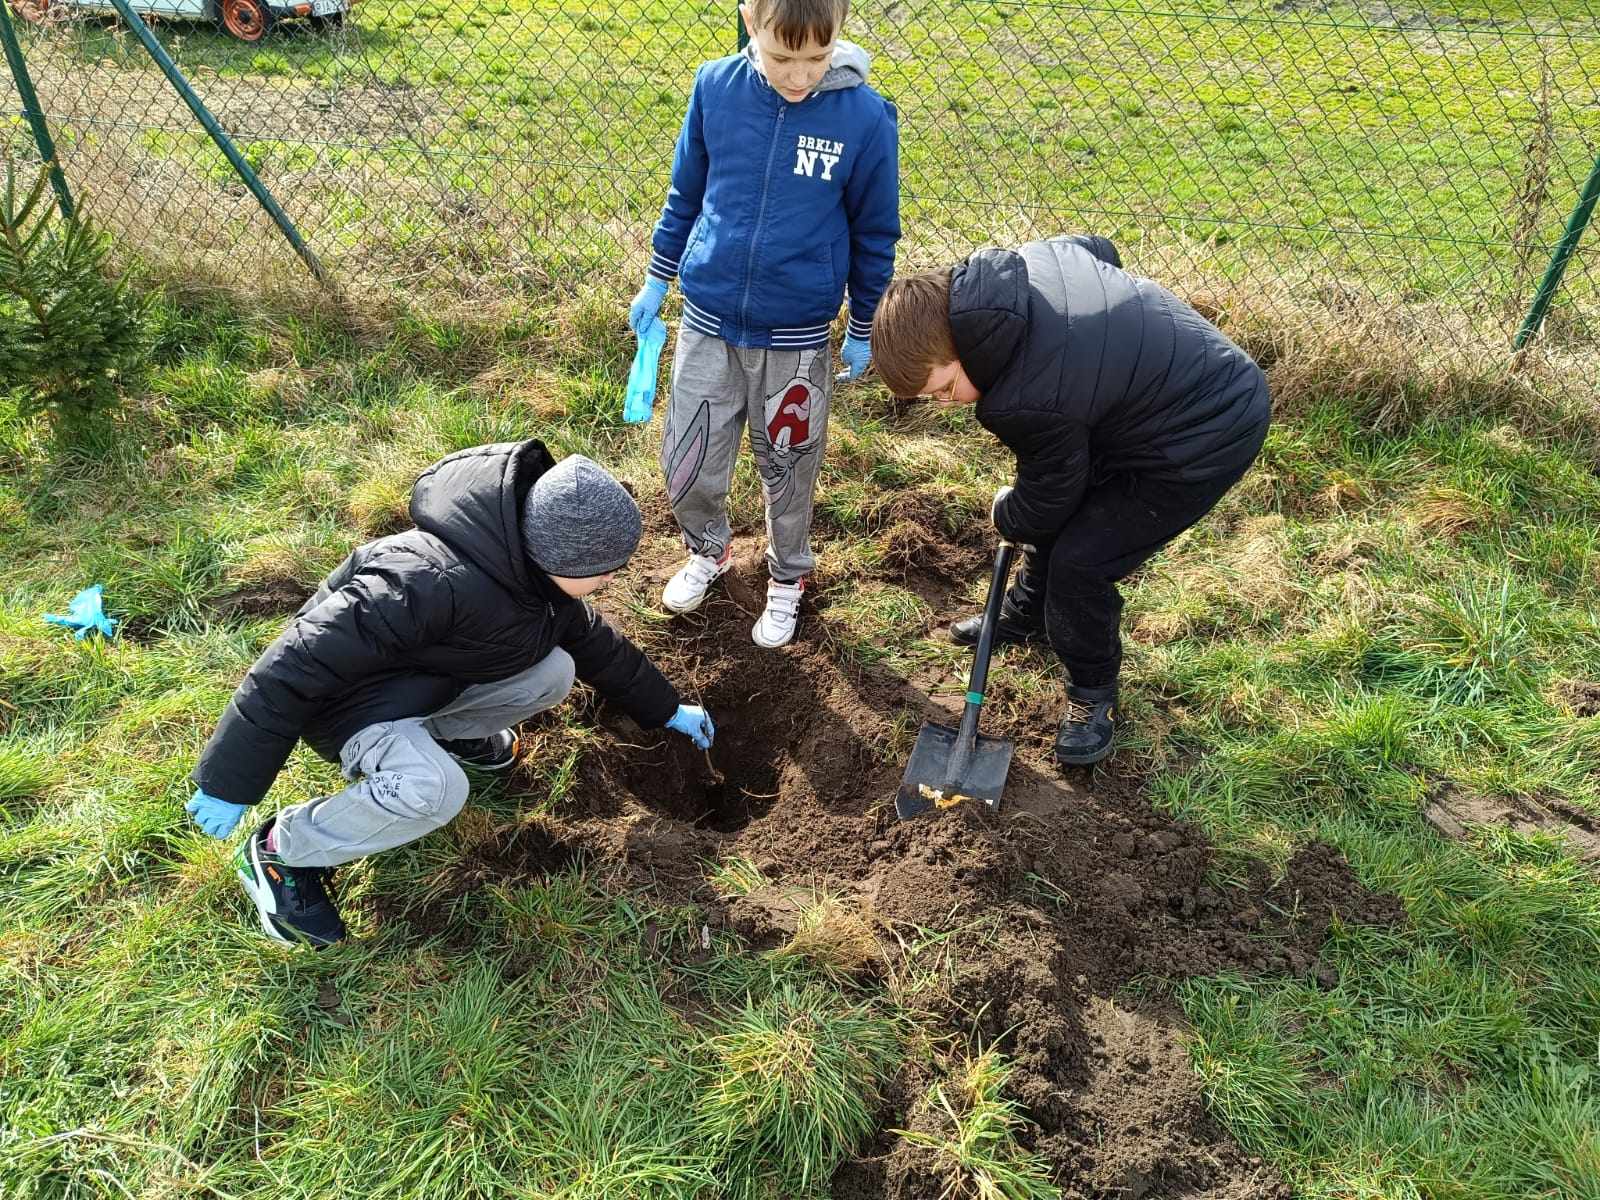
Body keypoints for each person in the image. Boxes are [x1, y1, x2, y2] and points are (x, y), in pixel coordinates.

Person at [183, 441, 716, 947]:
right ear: (561, 557)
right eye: (604, 570)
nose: (611, 579)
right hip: (350, 708)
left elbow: (598, 645)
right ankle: (284, 851)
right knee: (435, 791)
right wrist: (229, 781)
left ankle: (444, 738)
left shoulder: (532, 576)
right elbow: (292, 665)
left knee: (553, 671)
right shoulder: (422, 581)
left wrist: (667, 710)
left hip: (423, 684)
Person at [870, 235, 1270, 767]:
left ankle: (1092, 693)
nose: (946, 405)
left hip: (1205, 433)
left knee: (1083, 561)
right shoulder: (1028, 266)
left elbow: (1047, 500)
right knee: (1064, 520)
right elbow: (1097, 250)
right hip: (1155, 395)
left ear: (961, 346)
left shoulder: (1026, 397)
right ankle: (1027, 614)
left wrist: (1005, 512)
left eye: (943, 389)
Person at [628, 0, 900, 647]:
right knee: (687, 462)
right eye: (784, 57)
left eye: (817, 56)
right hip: (708, 321)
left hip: (797, 338)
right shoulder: (715, 88)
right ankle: (709, 549)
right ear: (751, 20)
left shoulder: (864, 118)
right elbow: (685, 193)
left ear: (840, 28)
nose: (800, 76)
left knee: (789, 465)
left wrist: (862, 324)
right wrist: (657, 276)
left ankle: (787, 577)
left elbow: (875, 233)